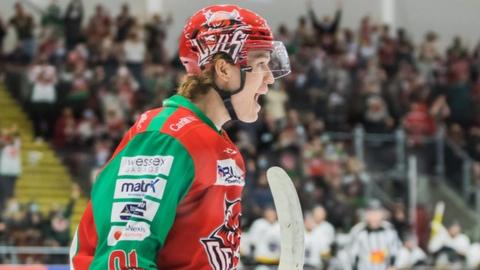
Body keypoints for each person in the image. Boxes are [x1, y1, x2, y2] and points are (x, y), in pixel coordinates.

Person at [70, 4, 290, 270]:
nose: (270, 80)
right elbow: (124, 256)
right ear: (223, 69)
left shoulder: (223, 147)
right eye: (261, 65)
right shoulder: (167, 137)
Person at [348, 200, 401, 270]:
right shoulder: (358, 230)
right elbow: (352, 254)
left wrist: (393, 265)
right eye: (371, 213)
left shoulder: (389, 229)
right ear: (366, 215)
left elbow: (395, 250)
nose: (374, 216)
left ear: (382, 214)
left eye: (377, 213)